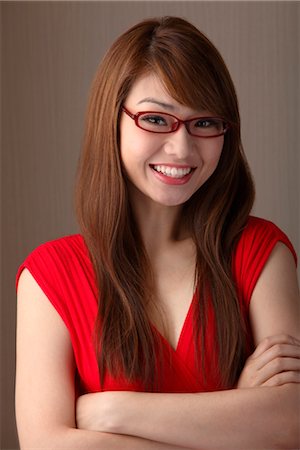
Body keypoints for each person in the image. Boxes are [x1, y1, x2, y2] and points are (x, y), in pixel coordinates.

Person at [15, 16, 300, 449]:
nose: (182, 149)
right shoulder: (48, 276)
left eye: (204, 123)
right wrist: (238, 420)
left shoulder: (260, 252)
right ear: (112, 120)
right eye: (156, 119)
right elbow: (45, 445)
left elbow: (292, 422)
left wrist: (112, 411)